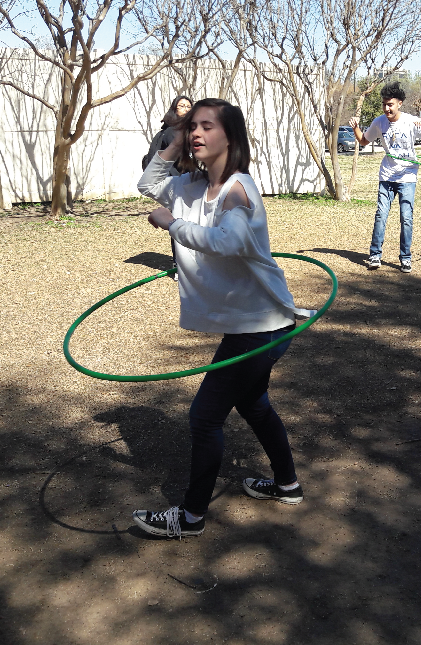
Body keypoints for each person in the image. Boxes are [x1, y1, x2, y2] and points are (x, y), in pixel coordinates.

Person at [132, 98, 314, 538]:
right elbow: (147, 181)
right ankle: (287, 485)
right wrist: (174, 136)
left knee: (205, 417)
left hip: (263, 324)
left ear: (229, 136)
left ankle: (191, 516)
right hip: (248, 324)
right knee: (254, 405)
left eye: (205, 126)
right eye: (192, 126)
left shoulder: (238, 189)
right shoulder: (189, 187)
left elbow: (228, 242)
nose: (196, 133)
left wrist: (171, 225)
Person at [349, 82, 421, 273]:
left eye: (390, 104)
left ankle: (405, 258)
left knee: (406, 218)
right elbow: (364, 141)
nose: (386, 108)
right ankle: (375, 255)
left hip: (407, 176)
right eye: (384, 104)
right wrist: (356, 127)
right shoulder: (379, 122)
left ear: (400, 103)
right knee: (381, 215)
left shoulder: (411, 121)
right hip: (387, 175)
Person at [142, 95, 193, 279]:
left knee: (184, 223)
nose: (186, 109)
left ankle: (183, 263)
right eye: (182, 106)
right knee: (181, 222)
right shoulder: (173, 132)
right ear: (174, 110)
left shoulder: (182, 131)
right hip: (177, 183)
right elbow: (182, 161)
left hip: (178, 183)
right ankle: (181, 265)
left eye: (189, 106)